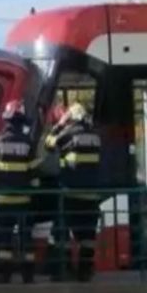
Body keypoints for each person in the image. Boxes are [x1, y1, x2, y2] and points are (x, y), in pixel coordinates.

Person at [44, 102, 102, 282]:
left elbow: (48, 143)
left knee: (61, 231)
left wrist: (60, 123)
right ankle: (85, 271)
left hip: (70, 193)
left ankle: (65, 269)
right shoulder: (96, 136)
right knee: (87, 235)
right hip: (91, 195)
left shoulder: (68, 133)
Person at [0, 100, 40, 284]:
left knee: (5, 238)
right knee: (26, 238)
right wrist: (33, 196)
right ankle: (28, 276)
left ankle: (5, 274)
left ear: (7, 120)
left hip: (4, 199)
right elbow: (34, 174)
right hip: (24, 200)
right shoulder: (28, 143)